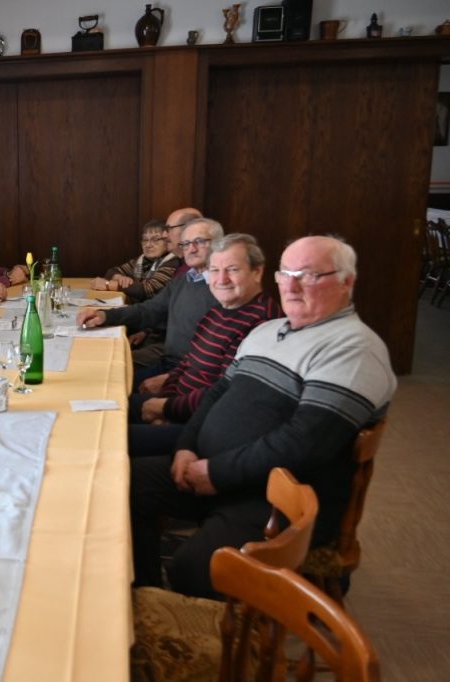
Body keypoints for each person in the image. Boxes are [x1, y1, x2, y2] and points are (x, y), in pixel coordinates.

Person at [130, 236, 396, 598]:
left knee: (194, 570)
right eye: (286, 274)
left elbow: (304, 443)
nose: (292, 285)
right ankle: (145, 598)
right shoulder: (267, 331)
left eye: (308, 275)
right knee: (121, 484)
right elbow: (217, 394)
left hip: (274, 498)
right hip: (219, 472)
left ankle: (179, 610)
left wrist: (216, 473)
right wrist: (186, 447)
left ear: (346, 282)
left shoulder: (354, 349)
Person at [128, 234, 281, 456]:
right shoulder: (219, 309)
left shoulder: (261, 322)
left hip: (201, 426)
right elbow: (188, 362)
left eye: (232, 270)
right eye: (215, 270)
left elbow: (222, 393)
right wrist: (166, 400)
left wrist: (168, 410)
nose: (221, 279)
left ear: (257, 272)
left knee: (110, 439)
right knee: (106, 407)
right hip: (179, 406)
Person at [77, 218, 222, 380]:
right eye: (186, 243)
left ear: (219, 244)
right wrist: (104, 316)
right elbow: (150, 310)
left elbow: (215, 355)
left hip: (185, 371)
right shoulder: (184, 279)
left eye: (200, 241)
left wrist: (170, 378)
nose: (192, 249)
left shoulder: (222, 288)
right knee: (97, 366)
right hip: (169, 361)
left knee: (108, 372)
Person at [91, 219, 179, 301]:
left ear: (167, 240)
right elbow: (111, 272)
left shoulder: (172, 261)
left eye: (155, 239)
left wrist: (108, 285)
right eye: (145, 240)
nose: (148, 245)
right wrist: (120, 278)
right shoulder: (142, 259)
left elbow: (148, 290)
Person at [165, 207, 203, 279]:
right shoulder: (176, 263)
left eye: (169, 229)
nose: (164, 235)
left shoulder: (199, 267)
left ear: (188, 229)